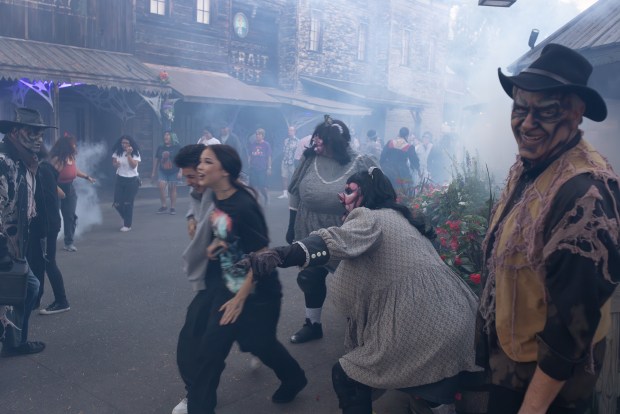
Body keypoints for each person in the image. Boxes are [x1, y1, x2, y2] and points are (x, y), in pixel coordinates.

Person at [242, 167, 481, 413]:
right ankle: (439, 404)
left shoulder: (369, 217)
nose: (341, 197)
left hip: (424, 326)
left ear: (365, 194)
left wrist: (280, 254)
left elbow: (329, 241)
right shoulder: (400, 218)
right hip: (458, 321)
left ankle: (436, 401)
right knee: (424, 380)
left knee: (348, 376)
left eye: (349, 191)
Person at [477, 44, 620, 413]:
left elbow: (573, 329)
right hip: (513, 367)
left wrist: (533, 407)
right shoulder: (535, 165)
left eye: (546, 112)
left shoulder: (583, 195)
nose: (527, 123)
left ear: (575, 114)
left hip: (549, 390)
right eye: (520, 109)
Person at [174, 144, 306, 414]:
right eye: (199, 162)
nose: (199, 168)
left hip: (254, 292)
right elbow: (223, 228)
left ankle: (294, 378)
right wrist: (217, 245)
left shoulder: (244, 204)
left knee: (259, 344)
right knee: (201, 345)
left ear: (223, 171)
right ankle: (199, 405)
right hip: (222, 285)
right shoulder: (215, 196)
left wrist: (240, 298)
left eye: (206, 162)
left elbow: (262, 257)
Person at [286, 115, 376, 344]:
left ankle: (359, 327)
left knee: (351, 281)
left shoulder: (361, 162)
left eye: (322, 141)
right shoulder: (309, 160)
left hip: (346, 228)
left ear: (337, 142)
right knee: (309, 276)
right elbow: (295, 192)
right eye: (316, 140)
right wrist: (290, 223)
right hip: (309, 225)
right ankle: (312, 324)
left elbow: (379, 194)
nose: (317, 145)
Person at [0, 107, 52, 357]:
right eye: (32, 132)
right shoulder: (3, 162)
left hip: (16, 244)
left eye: (41, 132)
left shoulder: (27, 161)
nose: (39, 137)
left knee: (26, 288)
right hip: (4, 244)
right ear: (15, 132)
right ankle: (15, 341)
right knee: (26, 287)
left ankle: (14, 340)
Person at [28, 146, 71, 315]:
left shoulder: (42, 171)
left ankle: (62, 301)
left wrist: (46, 230)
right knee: (36, 262)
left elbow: (49, 202)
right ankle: (36, 298)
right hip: (39, 225)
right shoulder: (37, 170)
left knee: (49, 263)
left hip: (46, 226)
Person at [49, 132, 96, 252]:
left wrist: (87, 177)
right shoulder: (57, 160)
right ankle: (47, 243)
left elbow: (74, 170)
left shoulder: (71, 157)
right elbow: (48, 177)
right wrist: (57, 190)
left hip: (70, 189)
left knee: (70, 217)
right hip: (56, 189)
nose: (75, 146)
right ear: (67, 146)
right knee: (53, 217)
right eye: (73, 144)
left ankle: (68, 242)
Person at [111, 135, 141, 232]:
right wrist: (116, 164)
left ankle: (127, 225)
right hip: (120, 178)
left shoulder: (135, 153)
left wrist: (128, 154)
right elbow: (114, 163)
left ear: (130, 143)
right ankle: (126, 217)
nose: (124, 145)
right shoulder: (117, 151)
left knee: (128, 203)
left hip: (132, 180)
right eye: (122, 142)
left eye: (126, 143)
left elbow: (133, 166)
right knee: (117, 203)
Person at [380, 127, 419, 198]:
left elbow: (382, 156)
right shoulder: (409, 147)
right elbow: (415, 161)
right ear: (407, 135)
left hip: (388, 170)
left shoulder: (390, 142)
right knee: (404, 192)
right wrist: (417, 169)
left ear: (399, 133)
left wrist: (383, 166)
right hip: (402, 172)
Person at [152, 130, 182, 215]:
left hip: (174, 171)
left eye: (168, 135)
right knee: (161, 186)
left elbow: (181, 159)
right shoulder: (160, 147)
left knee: (172, 189)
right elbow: (157, 159)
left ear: (172, 136)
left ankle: (172, 207)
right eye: (165, 135)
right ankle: (164, 206)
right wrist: (153, 172)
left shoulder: (177, 147)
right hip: (163, 171)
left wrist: (180, 171)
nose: (166, 136)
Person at [247, 128, 272, 205]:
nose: (257, 136)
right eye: (256, 134)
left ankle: (266, 197)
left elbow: (269, 157)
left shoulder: (266, 145)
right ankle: (256, 200)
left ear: (263, 136)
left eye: (259, 134)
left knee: (261, 186)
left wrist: (269, 168)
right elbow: (250, 155)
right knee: (254, 186)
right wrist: (249, 164)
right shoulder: (253, 144)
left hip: (262, 168)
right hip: (253, 167)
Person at [279, 126, 299, 199]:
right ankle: (285, 193)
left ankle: (293, 193)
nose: (289, 132)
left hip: (292, 162)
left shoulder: (297, 141)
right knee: (284, 177)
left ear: (294, 131)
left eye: (291, 130)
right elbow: (284, 151)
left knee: (293, 178)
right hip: (285, 161)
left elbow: (298, 152)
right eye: (289, 130)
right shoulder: (286, 140)